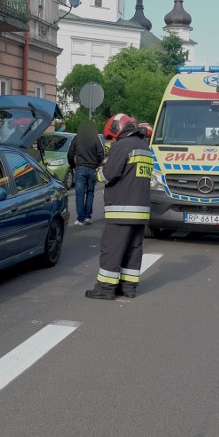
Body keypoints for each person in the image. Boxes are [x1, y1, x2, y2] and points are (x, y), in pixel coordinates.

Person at [85, 114, 152, 300]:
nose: (112, 140)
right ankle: (128, 288)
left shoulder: (122, 146)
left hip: (122, 209)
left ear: (117, 129)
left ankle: (105, 288)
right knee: (133, 249)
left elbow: (108, 175)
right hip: (141, 210)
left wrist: (98, 172)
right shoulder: (144, 147)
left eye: (112, 136)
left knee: (112, 248)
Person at [67, 120, 104, 225]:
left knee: (79, 194)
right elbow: (101, 153)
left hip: (80, 168)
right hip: (93, 168)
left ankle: (80, 219)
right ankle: (88, 217)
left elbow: (70, 153)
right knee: (90, 193)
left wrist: (73, 165)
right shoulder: (95, 138)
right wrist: (99, 165)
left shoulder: (76, 138)